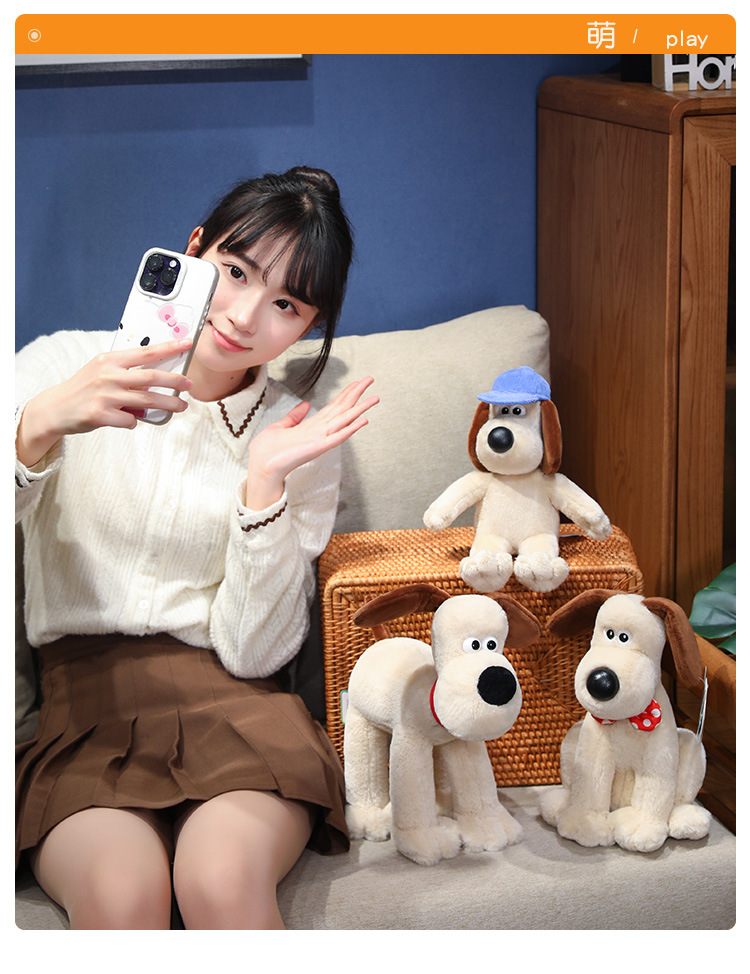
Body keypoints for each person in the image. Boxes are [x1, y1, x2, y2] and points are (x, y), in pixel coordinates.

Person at [15, 166, 379, 930]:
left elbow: (255, 652)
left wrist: (263, 489)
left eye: (285, 304)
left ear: (308, 326)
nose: (244, 316)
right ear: (193, 250)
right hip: (87, 711)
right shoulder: (60, 366)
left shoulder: (296, 436)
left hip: (239, 708)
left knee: (220, 883)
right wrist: (39, 426)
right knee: (122, 898)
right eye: (235, 271)